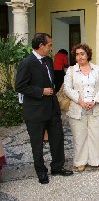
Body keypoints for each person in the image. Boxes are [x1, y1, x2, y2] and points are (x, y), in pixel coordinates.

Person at [15, 33, 73, 184]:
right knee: (37, 143)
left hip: (52, 108)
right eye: (49, 45)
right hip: (35, 111)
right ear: (41, 46)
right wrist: (41, 91)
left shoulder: (48, 60)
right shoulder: (27, 63)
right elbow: (20, 86)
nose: (51, 48)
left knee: (57, 139)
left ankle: (57, 167)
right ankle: (41, 172)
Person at [64, 44, 99, 172]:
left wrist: (94, 101)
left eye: (82, 53)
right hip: (78, 108)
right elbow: (67, 89)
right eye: (77, 54)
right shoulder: (71, 70)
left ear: (88, 54)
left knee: (97, 135)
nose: (79, 56)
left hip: (96, 108)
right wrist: (81, 102)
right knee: (80, 136)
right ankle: (80, 161)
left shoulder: (97, 69)